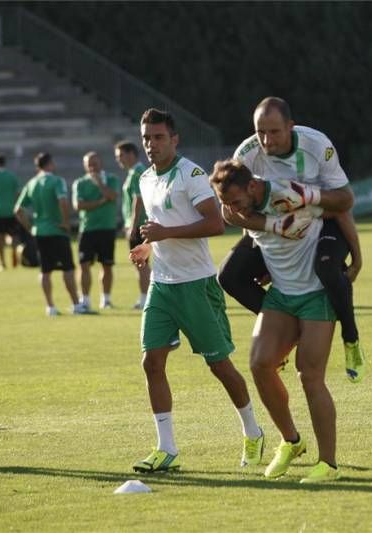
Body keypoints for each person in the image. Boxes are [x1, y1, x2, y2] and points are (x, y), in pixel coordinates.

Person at [129, 108, 263, 473]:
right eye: (146, 138)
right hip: (163, 285)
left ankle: (253, 432)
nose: (151, 144)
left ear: (174, 139)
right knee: (151, 362)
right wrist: (147, 247)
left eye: (158, 137)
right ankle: (166, 447)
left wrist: (164, 234)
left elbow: (215, 223)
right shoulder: (144, 179)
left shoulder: (192, 175)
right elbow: (159, 229)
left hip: (197, 285)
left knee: (218, 365)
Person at [210, 158, 340, 483]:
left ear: (253, 187)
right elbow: (232, 214)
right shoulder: (241, 207)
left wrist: (354, 259)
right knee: (259, 364)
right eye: (226, 203)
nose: (234, 211)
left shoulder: (291, 194)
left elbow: (324, 217)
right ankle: (292, 440)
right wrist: (249, 217)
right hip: (282, 295)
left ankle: (328, 464)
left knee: (309, 376)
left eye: (237, 202)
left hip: (315, 292)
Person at [221, 96, 366, 383]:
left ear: (291, 127)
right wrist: (265, 236)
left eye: (274, 131)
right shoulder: (246, 155)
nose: (266, 139)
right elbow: (232, 210)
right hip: (273, 231)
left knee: (327, 269)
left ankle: (351, 339)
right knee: (229, 275)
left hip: (323, 222)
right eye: (260, 131)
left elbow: (345, 201)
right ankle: (283, 332)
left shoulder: (317, 146)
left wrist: (357, 257)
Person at [15, 152, 87, 316]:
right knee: (67, 268)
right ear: (50, 163)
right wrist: (66, 222)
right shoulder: (56, 180)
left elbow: (18, 210)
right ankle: (76, 305)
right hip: (57, 230)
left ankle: (50, 307)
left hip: (39, 232)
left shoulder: (31, 183)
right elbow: (62, 201)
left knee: (45, 271)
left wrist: (30, 227)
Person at [72, 152, 120, 310]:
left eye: (95, 163)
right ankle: (85, 300)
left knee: (107, 265)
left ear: (101, 163)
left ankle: (105, 299)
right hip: (87, 229)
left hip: (107, 228)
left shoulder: (111, 179)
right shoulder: (79, 183)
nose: (92, 166)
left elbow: (113, 196)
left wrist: (99, 184)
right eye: (88, 164)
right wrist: (100, 202)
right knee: (84, 265)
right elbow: (79, 205)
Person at [115, 140, 150, 310]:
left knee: (140, 262)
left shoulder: (137, 172)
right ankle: (146, 296)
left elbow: (139, 200)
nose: (119, 159)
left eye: (120, 155)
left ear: (130, 154)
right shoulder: (134, 172)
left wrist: (133, 225)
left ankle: (146, 298)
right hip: (136, 224)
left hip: (139, 225)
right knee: (139, 262)